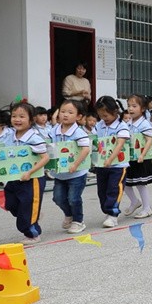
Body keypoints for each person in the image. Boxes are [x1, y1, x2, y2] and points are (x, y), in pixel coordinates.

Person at [2, 102, 50, 244]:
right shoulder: (10, 136)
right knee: (10, 204)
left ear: (32, 120)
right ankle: (32, 214)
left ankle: (33, 234)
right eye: (14, 116)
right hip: (14, 177)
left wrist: (30, 172)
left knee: (27, 206)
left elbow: (45, 157)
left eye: (22, 116)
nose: (17, 119)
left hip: (32, 179)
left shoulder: (34, 138)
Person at [50, 100, 91, 234]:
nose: (65, 115)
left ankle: (78, 221)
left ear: (79, 117)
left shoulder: (79, 132)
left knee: (74, 198)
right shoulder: (54, 130)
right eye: (62, 111)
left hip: (76, 173)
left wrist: (75, 164)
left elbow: (85, 149)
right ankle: (69, 215)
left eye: (70, 112)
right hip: (59, 173)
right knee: (58, 197)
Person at [94, 96, 130, 228]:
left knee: (114, 189)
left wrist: (110, 159)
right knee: (102, 190)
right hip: (102, 165)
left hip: (118, 165)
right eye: (101, 115)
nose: (103, 118)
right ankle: (107, 210)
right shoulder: (99, 125)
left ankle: (113, 213)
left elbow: (119, 145)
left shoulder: (122, 126)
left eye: (106, 115)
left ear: (115, 111)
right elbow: (93, 139)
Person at [122, 94, 152, 219]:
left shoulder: (145, 124)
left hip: (141, 158)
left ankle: (147, 208)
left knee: (141, 184)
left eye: (134, 106)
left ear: (142, 108)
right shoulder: (128, 123)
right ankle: (134, 201)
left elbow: (149, 140)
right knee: (125, 182)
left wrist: (143, 155)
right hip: (130, 158)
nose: (130, 109)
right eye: (129, 106)